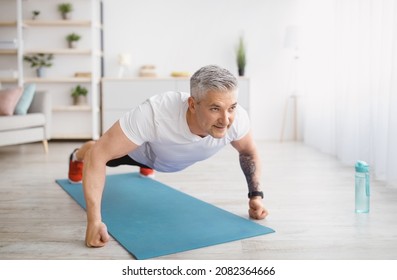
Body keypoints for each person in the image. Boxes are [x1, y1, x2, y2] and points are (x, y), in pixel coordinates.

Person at [68, 65, 268, 248]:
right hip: (142, 153)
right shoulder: (155, 113)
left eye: (231, 107)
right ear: (192, 104)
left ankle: (153, 160)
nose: (226, 120)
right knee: (96, 149)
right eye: (215, 108)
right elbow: (99, 155)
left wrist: (256, 197)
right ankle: (76, 156)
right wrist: (94, 222)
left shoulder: (237, 118)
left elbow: (249, 152)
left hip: (168, 156)